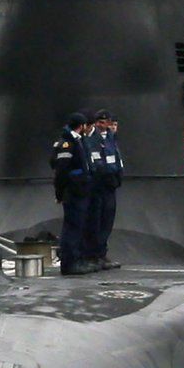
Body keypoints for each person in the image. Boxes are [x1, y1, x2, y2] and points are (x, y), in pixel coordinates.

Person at [50, 111, 96, 275]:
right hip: (73, 192)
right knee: (72, 228)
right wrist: (59, 193)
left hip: (81, 192)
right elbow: (61, 171)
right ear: (81, 126)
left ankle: (77, 260)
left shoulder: (79, 141)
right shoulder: (68, 144)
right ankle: (69, 264)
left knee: (78, 227)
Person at [84, 110, 124, 268]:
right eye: (100, 123)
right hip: (97, 185)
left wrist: (117, 178)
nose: (103, 126)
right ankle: (93, 254)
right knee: (95, 220)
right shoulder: (90, 139)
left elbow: (116, 159)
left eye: (105, 123)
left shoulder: (112, 138)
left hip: (110, 184)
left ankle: (101, 253)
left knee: (107, 219)